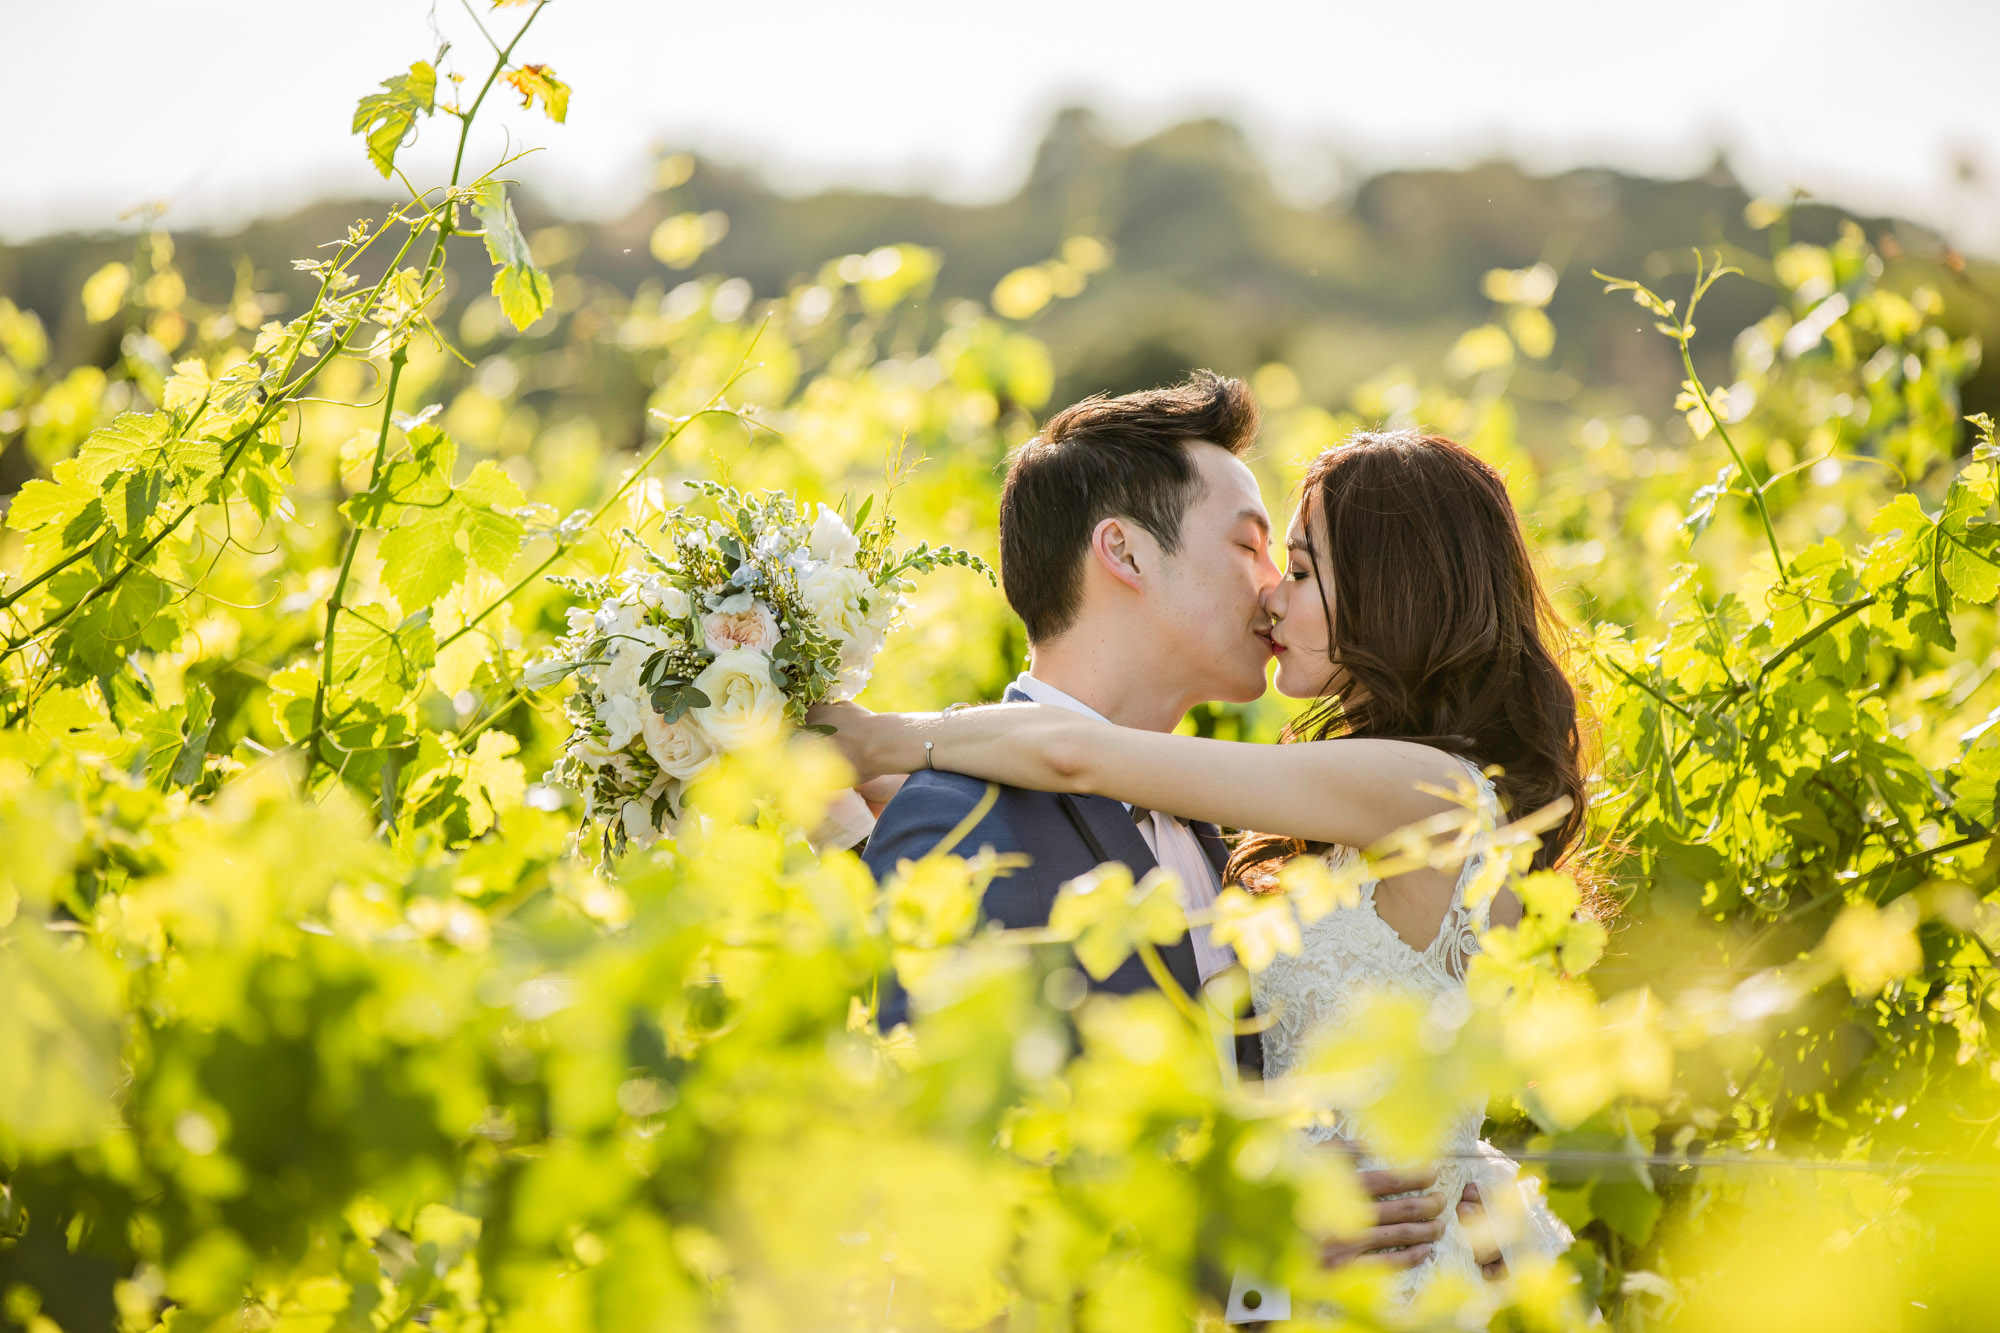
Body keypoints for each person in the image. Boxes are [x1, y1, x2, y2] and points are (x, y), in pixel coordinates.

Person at [846, 375, 1520, 1316]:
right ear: (1121, 550)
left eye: (1293, 563)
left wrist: (1452, 1188)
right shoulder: (953, 819)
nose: (1269, 590)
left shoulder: (1237, 818)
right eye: (1252, 546)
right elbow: (962, 1177)